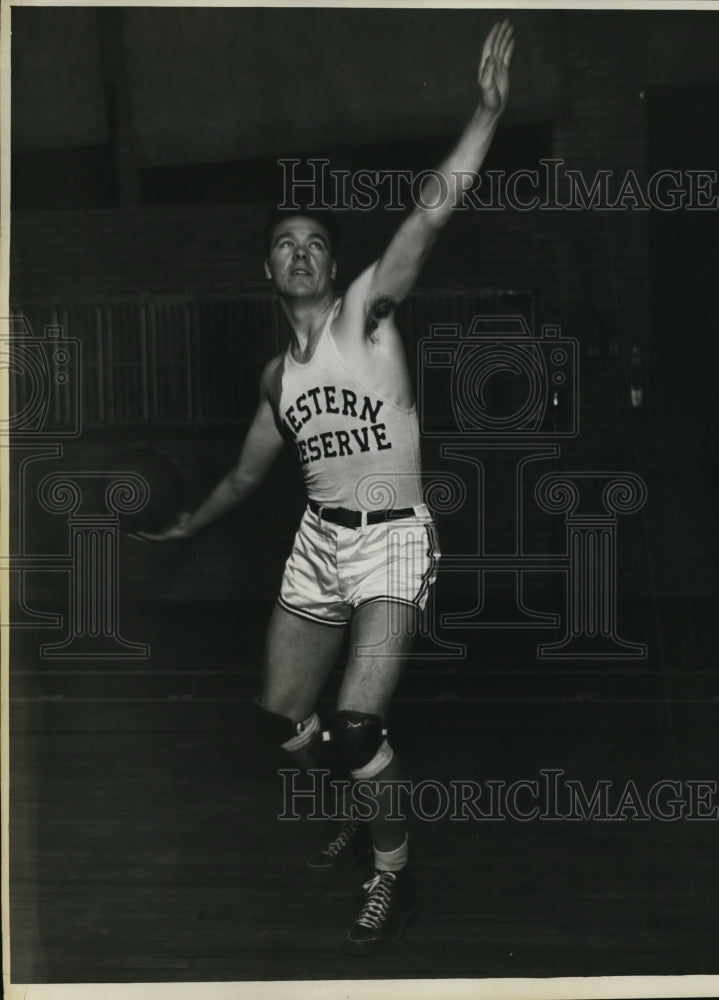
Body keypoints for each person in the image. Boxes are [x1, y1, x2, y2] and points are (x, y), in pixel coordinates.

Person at [143, 20, 514, 954]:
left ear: (334, 266)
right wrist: (190, 523)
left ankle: (394, 868)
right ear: (264, 270)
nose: (301, 251)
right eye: (285, 243)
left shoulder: (365, 315)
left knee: (354, 729)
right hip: (319, 536)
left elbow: (429, 212)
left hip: (391, 534)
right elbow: (243, 472)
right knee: (279, 721)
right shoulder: (278, 380)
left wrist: (484, 115)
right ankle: (360, 799)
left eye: (315, 241)